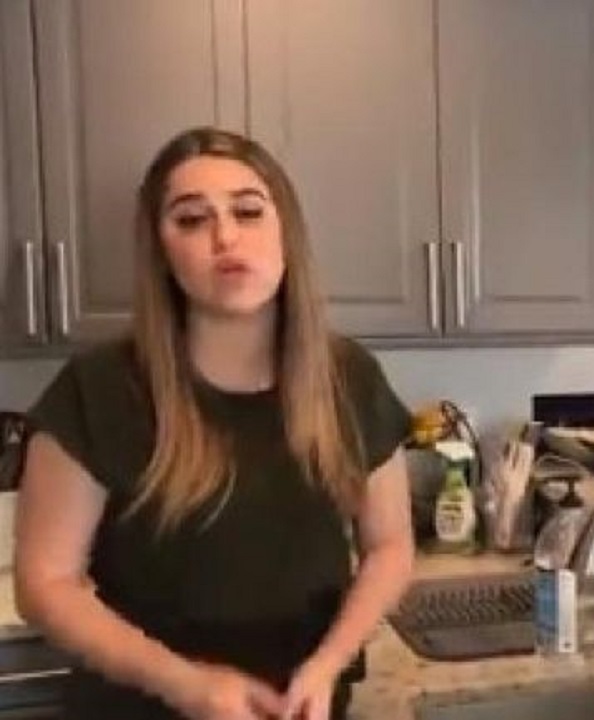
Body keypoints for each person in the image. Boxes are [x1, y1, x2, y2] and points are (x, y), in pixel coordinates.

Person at [14, 127, 415, 720]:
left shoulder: (348, 378)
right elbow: (45, 582)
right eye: (191, 220)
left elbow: (389, 546)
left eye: (248, 212)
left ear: (286, 230)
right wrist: (185, 684)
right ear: (162, 251)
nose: (225, 236)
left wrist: (328, 664)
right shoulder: (98, 390)